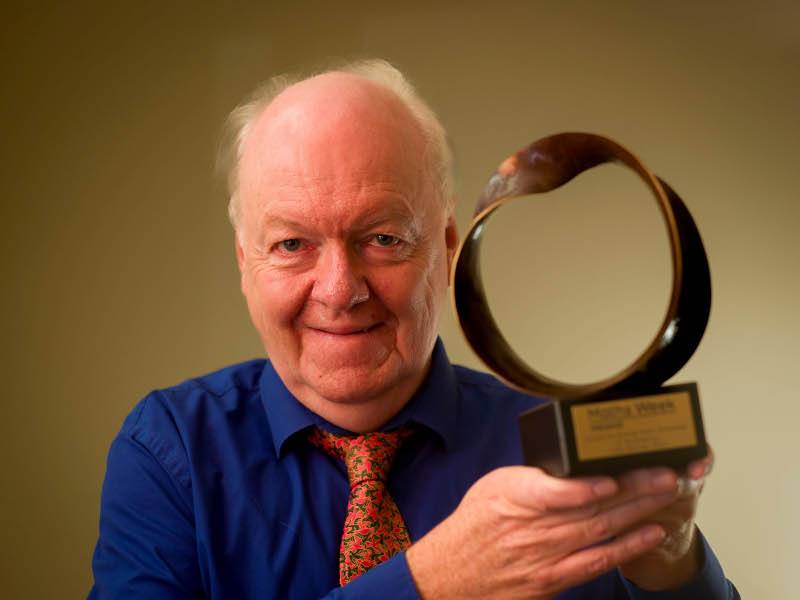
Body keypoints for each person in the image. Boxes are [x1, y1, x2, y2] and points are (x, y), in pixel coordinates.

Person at [89, 59, 738, 599]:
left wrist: (674, 564)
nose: (340, 291)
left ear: (448, 250)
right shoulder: (168, 450)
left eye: (383, 237)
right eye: (291, 244)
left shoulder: (559, 458)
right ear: (245, 264)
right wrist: (428, 583)